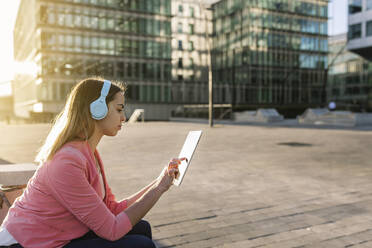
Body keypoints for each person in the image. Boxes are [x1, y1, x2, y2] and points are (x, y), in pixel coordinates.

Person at [0, 77, 183, 248]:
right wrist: (159, 189)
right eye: (119, 109)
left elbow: (112, 208)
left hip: (55, 236)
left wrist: (160, 180)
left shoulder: (89, 152)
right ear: (97, 109)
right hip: (27, 243)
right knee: (140, 244)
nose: (124, 117)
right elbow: (112, 230)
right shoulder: (67, 162)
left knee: (142, 228)